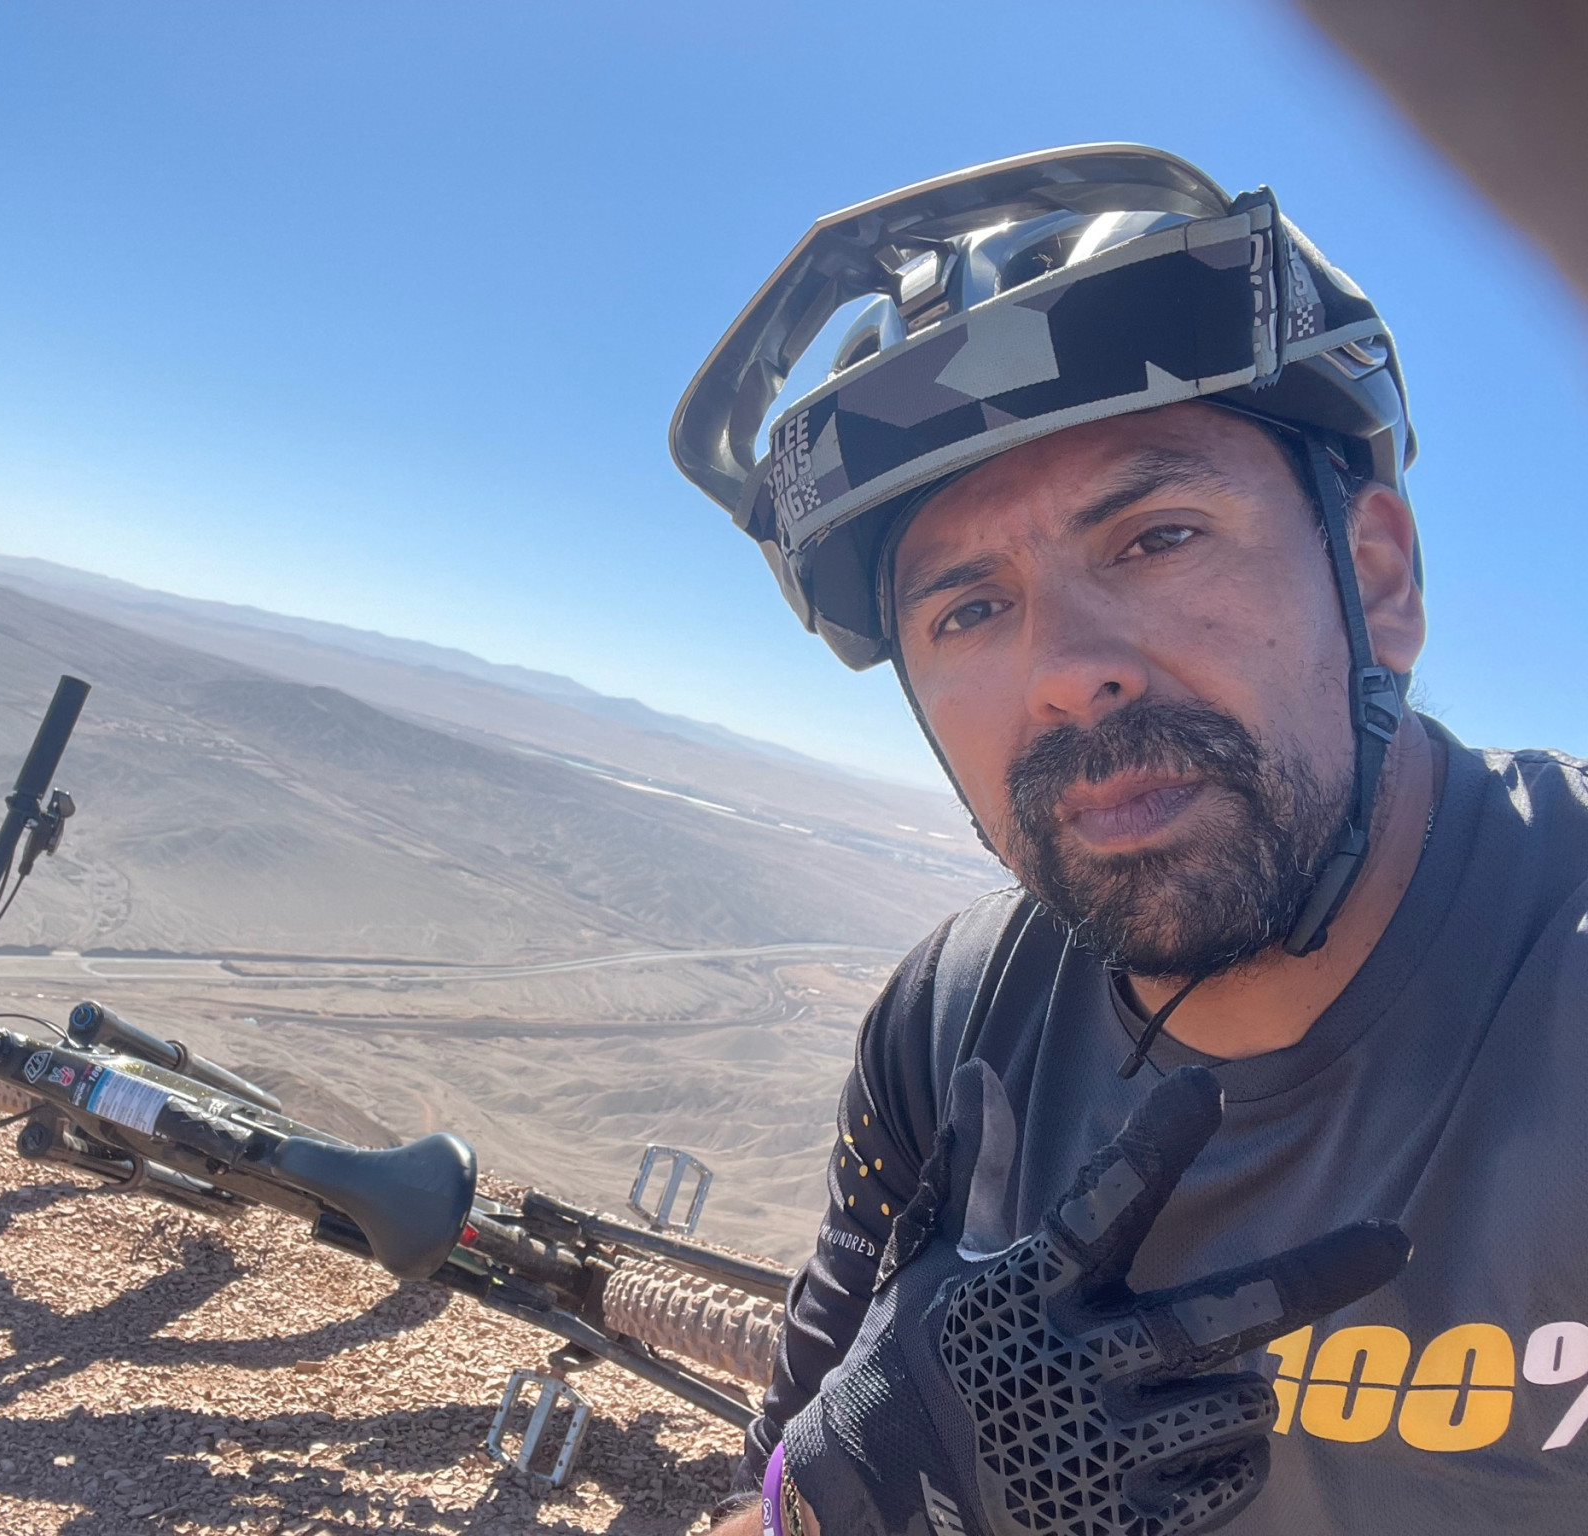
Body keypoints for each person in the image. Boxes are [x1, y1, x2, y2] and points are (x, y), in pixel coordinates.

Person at [669, 146, 1588, 1535]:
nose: (1067, 672)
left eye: (1157, 537)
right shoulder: (950, 1026)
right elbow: (769, 1499)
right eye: (969, 611)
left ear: (1379, 579)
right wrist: (850, 1494)